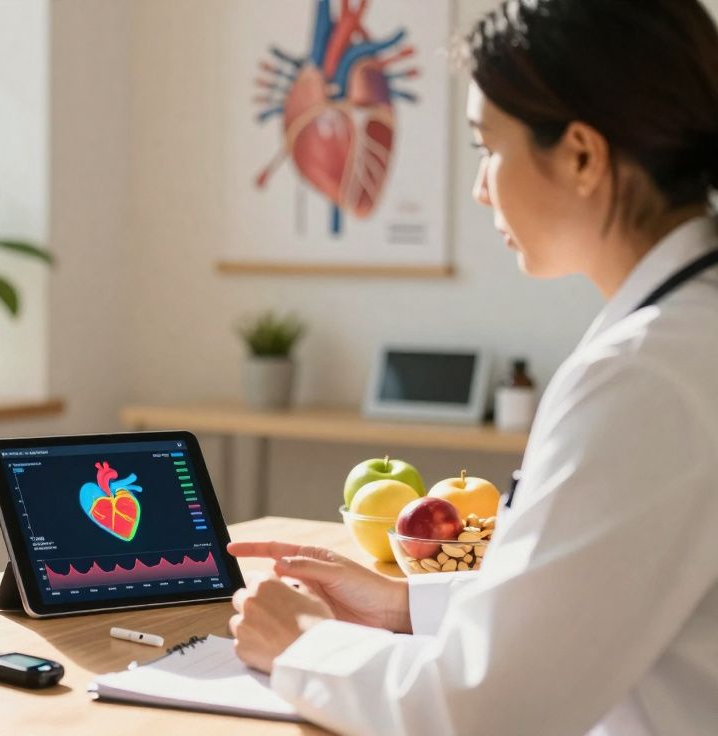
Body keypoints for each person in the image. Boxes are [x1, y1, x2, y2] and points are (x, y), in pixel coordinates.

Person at [227, 1, 718, 733]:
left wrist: (302, 643)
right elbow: (601, 589)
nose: (482, 187)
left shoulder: (647, 374)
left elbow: (486, 708)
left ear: (582, 155)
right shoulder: (684, 336)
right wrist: (405, 605)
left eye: (488, 147)